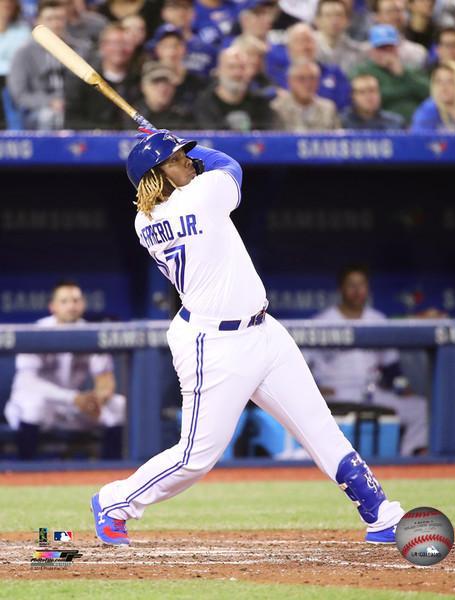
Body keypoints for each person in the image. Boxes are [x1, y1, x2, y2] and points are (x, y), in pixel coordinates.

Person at [90, 128, 405, 546]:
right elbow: (229, 165)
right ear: (157, 176)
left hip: (262, 331)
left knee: (319, 425)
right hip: (211, 344)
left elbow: (197, 177)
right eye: (176, 159)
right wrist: (193, 143)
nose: (187, 161)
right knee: (195, 456)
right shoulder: (201, 196)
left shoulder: (144, 218)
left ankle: (380, 513)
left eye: (186, 156)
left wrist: (170, 147)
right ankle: (115, 501)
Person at [303, 265, 429, 457]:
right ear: (341, 289)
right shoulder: (322, 322)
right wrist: (315, 390)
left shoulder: (377, 320)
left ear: (368, 289)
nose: (357, 291)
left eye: (361, 285)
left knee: (420, 408)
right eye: (351, 285)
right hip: (336, 392)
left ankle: (408, 460)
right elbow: (299, 366)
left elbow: (391, 368)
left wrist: (402, 389)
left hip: (371, 392)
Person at [4, 281, 126, 460]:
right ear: (52, 307)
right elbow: (29, 384)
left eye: (76, 300)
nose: (71, 306)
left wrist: (98, 398)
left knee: (118, 405)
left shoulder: (91, 333)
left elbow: (105, 378)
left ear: (83, 304)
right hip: (34, 405)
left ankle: (111, 471)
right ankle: (25, 471)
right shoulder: (35, 332)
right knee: (33, 405)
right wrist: (74, 398)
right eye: (64, 301)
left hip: (72, 405)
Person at [7, 0, 90, 129]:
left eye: (59, 19)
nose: (55, 24)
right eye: (49, 19)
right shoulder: (23, 53)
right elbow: (19, 94)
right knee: (51, 116)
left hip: (76, 106)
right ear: (37, 22)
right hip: (39, 110)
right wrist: (49, 102)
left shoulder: (81, 49)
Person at [64, 22, 139, 129]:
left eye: (125, 43)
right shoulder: (84, 80)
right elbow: (71, 120)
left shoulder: (139, 80)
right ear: (103, 46)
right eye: (115, 43)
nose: (120, 49)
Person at [351, 24, 429, 122]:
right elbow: (367, 100)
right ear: (372, 50)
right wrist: (405, 90)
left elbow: (428, 93)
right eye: (381, 48)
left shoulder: (410, 70)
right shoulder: (363, 71)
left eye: (390, 48)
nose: (386, 53)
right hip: (381, 124)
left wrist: (403, 74)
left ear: (397, 49)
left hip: (415, 123)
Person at [266, 22, 351, 110]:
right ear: (289, 48)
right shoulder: (276, 75)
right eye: (300, 41)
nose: (306, 46)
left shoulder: (333, 73)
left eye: (309, 40)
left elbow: (344, 106)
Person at [194, 46, 278, 130]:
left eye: (242, 67)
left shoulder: (261, 105)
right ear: (218, 71)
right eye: (231, 67)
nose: (237, 73)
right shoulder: (203, 104)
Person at [147, 24, 205, 113]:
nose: (172, 51)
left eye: (176, 45)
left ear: (184, 49)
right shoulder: (149, 81)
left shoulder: (197, 81)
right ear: (157, 50)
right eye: (166, 46)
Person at [271, 60, 340, 131]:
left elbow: (337, 140)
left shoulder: (328, 109)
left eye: (312, 78)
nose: (308, 84)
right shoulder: (277, 108)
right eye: (301, 79)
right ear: (290, 81)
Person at [411, 60, 455, 131]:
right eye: (438, 81)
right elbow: (420, 139)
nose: (443, 87)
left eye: (450, 81)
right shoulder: (428, 111)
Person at [159, 0, 218, 78]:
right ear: (164, 12)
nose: (181, 12)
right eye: (175, 7)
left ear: (194, 12)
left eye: (186, 7)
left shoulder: (207, 45)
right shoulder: (158, 39)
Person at [314, 0, 368, 74]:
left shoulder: (357, 52)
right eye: (328, 15)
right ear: (317, 20)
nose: (334, 21)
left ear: (347, 20)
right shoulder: (306, 48)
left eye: (338, 15)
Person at [136, 61, 195, 129]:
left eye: (167, 82)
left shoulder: (185, 116)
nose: (162, 88)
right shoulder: (131, 115)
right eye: (156, 82)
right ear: (143, 87)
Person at [0, 0, 30, 128]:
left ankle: (15, 134)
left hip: (13, 80)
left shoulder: (23, 30)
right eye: (3, 3)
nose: (7, 6)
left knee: (12, 87)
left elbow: (23, 60)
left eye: (10, 3)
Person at [373, 0, 427, 69]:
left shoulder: (417, 52)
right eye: (389, 11)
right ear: (377, 16)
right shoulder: (365, 52)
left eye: (398, 11)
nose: (395, 16)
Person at [341, 73, 405, 128]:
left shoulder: (395, 123)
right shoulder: (342, 122)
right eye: (362, 92)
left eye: (373, 91)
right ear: (353, 96)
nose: (369, 97)